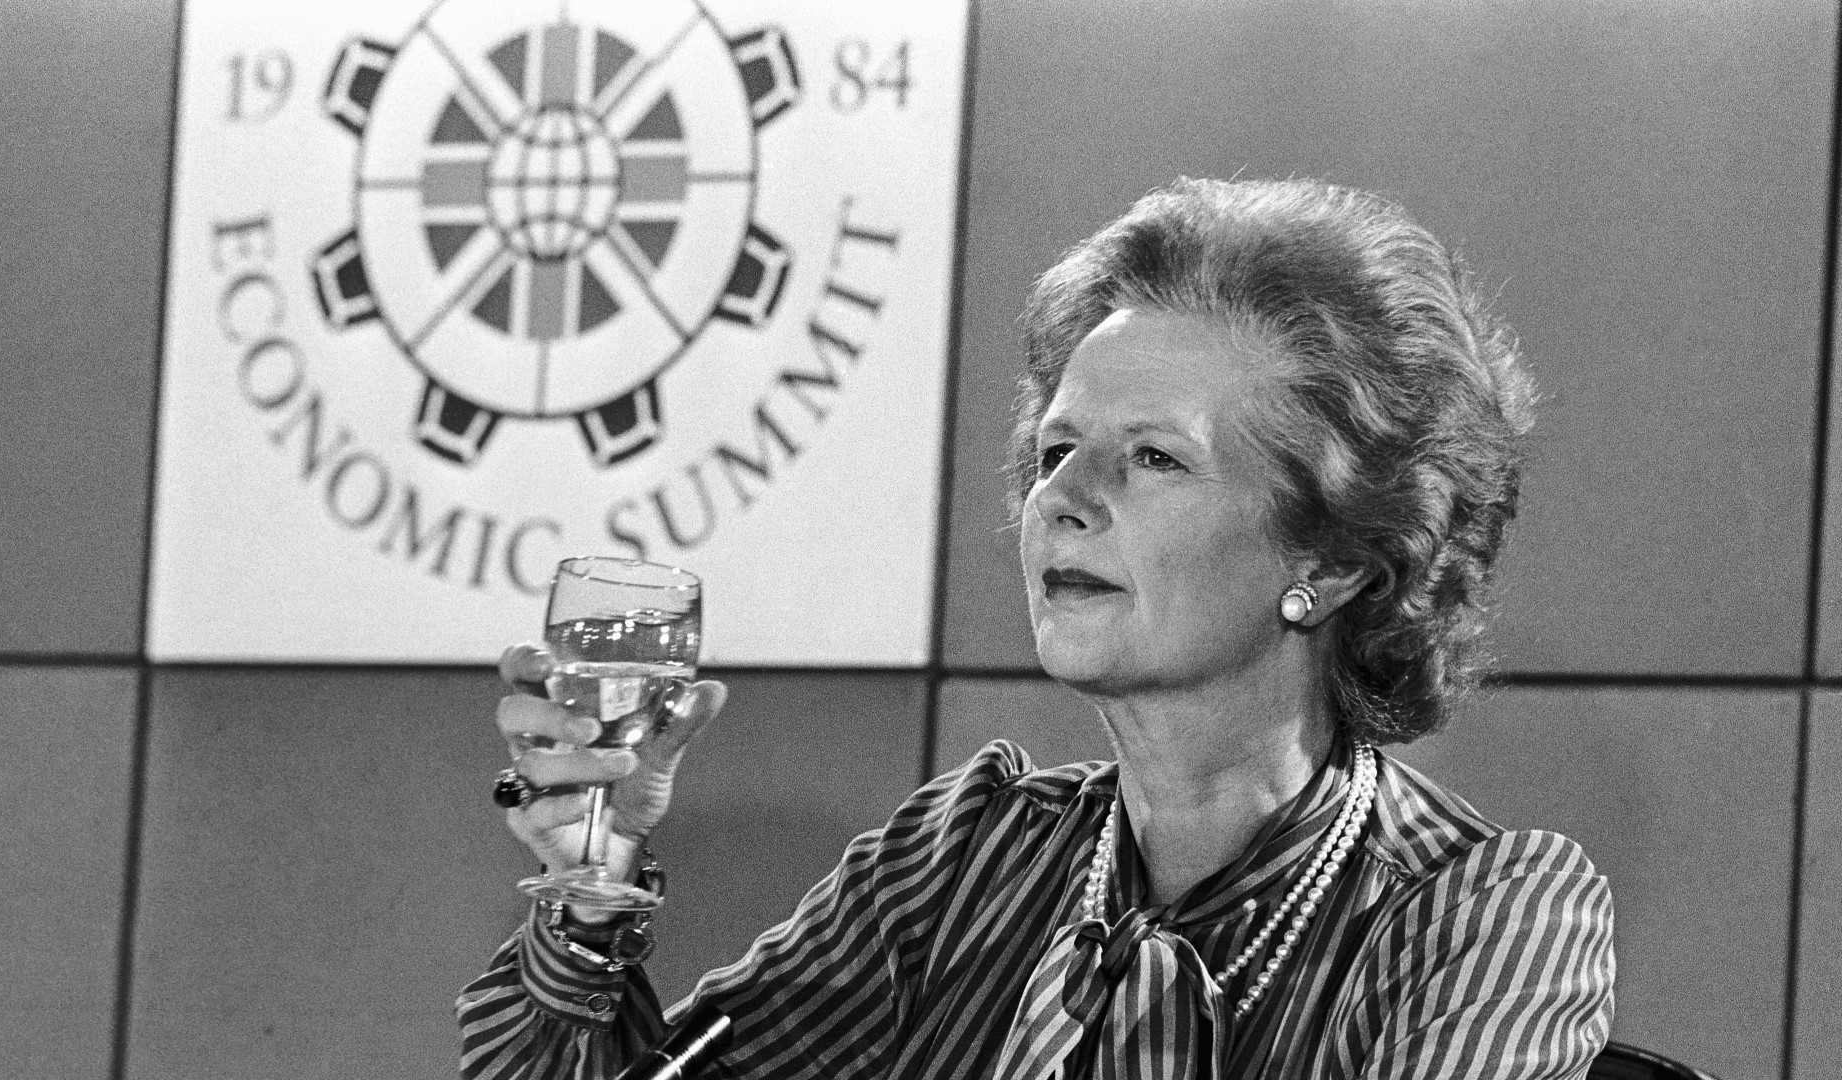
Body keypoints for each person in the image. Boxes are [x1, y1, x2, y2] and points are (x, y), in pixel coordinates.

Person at [458, 177, 1615, 1079]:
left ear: (1337, 557)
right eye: (1058, 450)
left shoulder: (1486, 911)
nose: (1064, 496)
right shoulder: (967, 858)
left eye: (1154, 458)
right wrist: (592, 887)